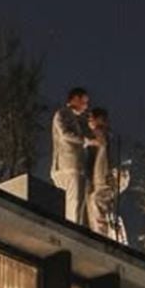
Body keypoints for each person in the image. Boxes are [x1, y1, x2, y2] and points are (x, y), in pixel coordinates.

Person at [50, 87, 95, 224]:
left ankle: (73, 229)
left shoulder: (72, 117)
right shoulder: (63, 113)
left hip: (72, 167)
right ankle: (73, 232)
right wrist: (87, 141)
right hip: (69, 166)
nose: (86, 106)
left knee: (75, 204)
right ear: (75, 99)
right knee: (74, 204)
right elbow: (66, 134)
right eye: (84, 102)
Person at [85, 107, 129, 242]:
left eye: (91, 117)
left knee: (98, 201)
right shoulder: (109, 136)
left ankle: (105, 237)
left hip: (106, 177)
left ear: (99, 119)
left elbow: (104, 150)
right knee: (101, 204)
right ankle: (114, 237)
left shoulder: (102, 134)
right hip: (108, 177)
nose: (89, 120)